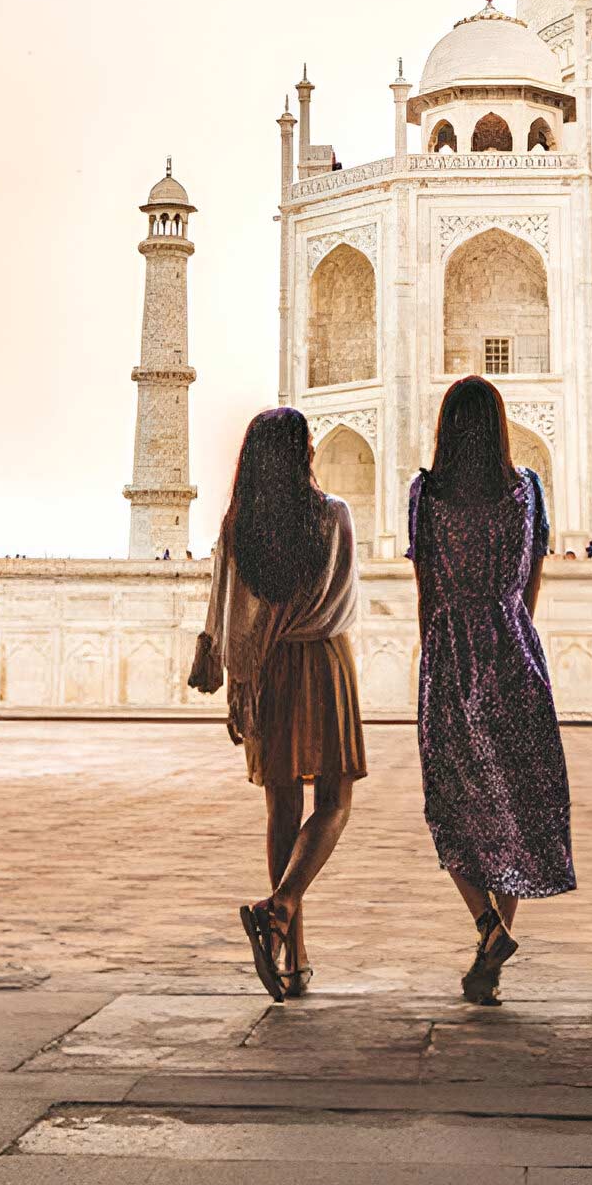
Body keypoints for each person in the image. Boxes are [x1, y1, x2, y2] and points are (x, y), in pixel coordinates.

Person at [408, 374, 575, 1003]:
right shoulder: (526, 488)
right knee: (518, 802)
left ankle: (486, 927)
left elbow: (426, 590)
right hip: (513, 647)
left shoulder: (427, 495)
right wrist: (509, 621)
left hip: (451, 654)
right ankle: (493, 948)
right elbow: (533, 578)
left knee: (453, 801)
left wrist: (438, 656)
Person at [204, 406, 366, 999]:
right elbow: (342, 597)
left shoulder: (238, 527)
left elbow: (224, 603)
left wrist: (232, 670)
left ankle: (293, 954)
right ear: (303, 455)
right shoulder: (332, 516)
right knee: (334, 801)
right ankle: (281, 908)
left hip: (267, 671)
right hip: (322, 663)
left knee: (281, 811)